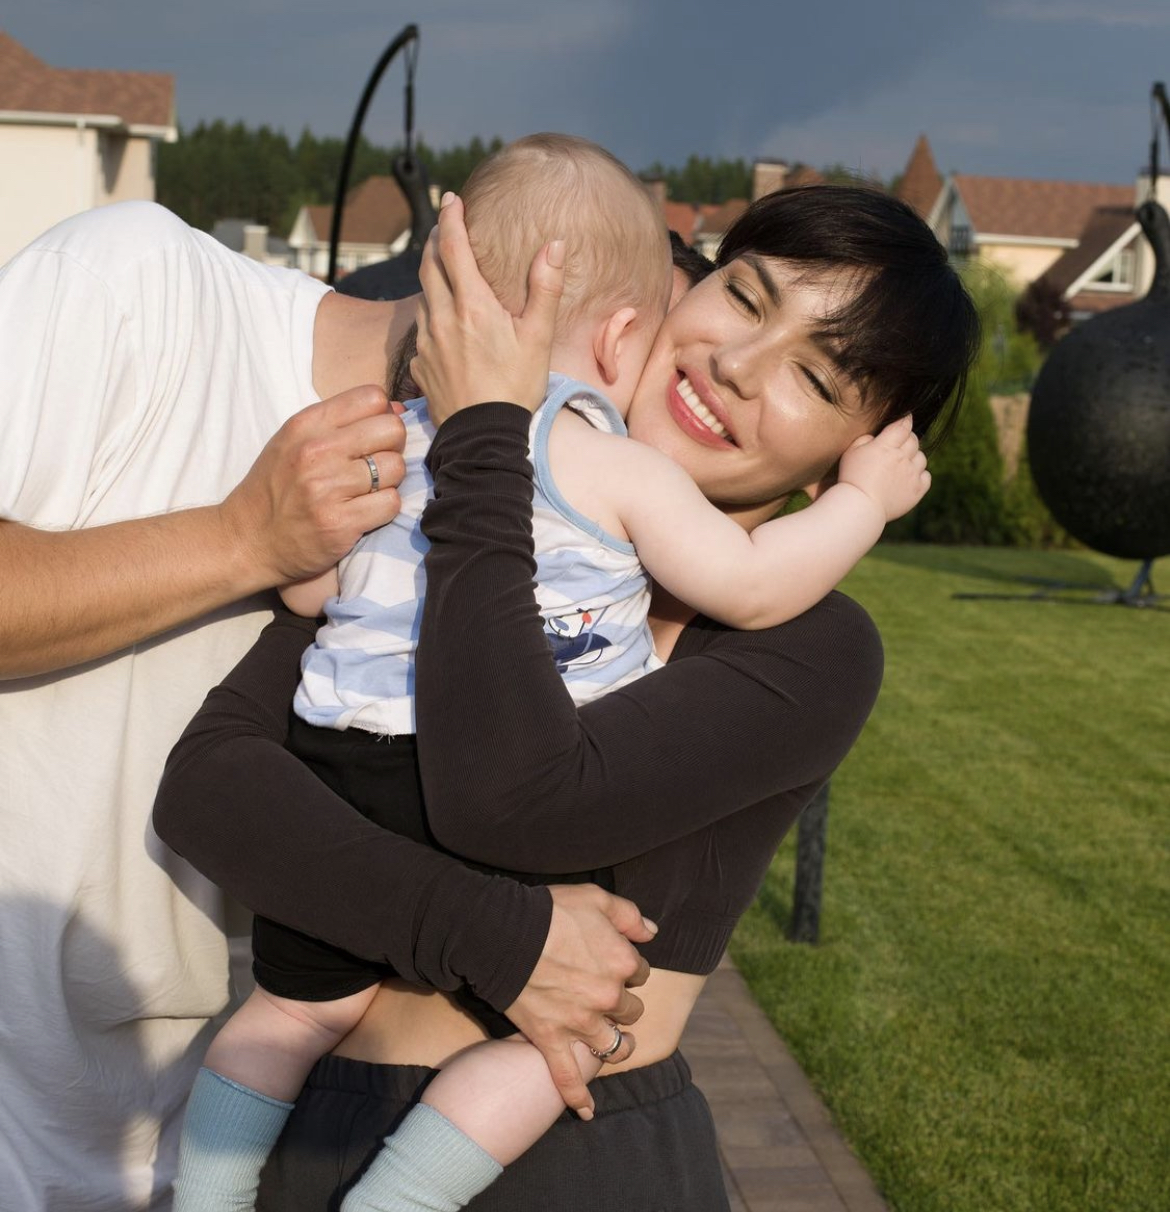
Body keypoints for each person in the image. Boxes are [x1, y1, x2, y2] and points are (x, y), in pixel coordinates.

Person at [154, 181, 981, 1209]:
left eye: (813, 377)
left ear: (849, 460)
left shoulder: (810, 650)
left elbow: (513, 799)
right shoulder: (421, 512)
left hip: (562, 1165)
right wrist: (504, 941)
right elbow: (209, 791)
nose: (737, 364)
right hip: (307, 1129)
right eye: (746, 297)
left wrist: (488, 442)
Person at [0, 196, 652, 1210]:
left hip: (168, 1129)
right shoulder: (138, 285)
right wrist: (243, 540)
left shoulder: (493, 518)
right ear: (613, 343)